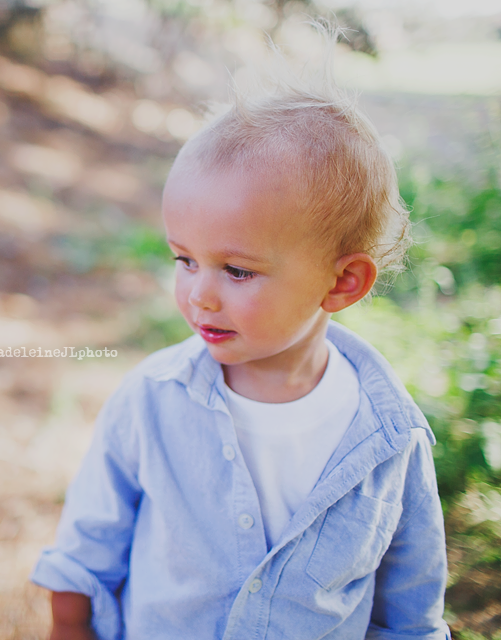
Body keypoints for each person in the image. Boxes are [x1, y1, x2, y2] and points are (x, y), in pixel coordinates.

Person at [29, 36, 451, 640]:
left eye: (238, 270)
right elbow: (83, 558)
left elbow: (410, 612)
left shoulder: (389, 440)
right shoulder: (150, 400)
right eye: (184, 260)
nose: (199, 294)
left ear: (343, 281)